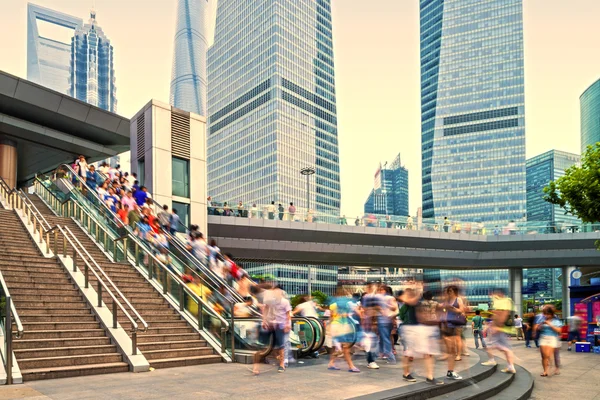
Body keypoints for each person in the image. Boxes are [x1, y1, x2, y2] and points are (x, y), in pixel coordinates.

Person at [254, 286, 291, 374]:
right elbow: (265, 309)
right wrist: (264, 321)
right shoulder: (270, 301)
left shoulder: (285, 302)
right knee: (262, 345)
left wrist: (287, 325)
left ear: (281, 292)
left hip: (280, 325)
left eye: (278, 291)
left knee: (281, 346)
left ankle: (282, 364)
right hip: (270, 324)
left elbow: (288, 314)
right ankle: (256, 367)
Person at [481, 288, 517, 374]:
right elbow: (497, 314)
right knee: (499, 346)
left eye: (494, 293)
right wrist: (491, 325)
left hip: (500, 328)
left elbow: (503, 314)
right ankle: (510, 366)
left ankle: (494, 361)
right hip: (500, 327)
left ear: (500, 293)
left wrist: (497, 327)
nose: (493, 295)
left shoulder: (504, 301)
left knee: (498, 346)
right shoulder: (504, 301)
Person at [328, 288, 360, 372]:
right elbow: (345, 315)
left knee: (340, 347)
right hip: (341, 327)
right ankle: (351, 366)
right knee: (346, 347)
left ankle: (331, 363)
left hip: (335, 326)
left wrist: (329, 328)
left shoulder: (333, 305)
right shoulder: (345, 304)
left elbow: (331, 317)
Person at [536, 305, 562, 377]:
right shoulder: (542, 319)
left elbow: (559, 330)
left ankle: (551, 364)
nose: (546, 316)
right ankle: (545, 371)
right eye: (545, 314)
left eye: (548, 314)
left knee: (547, 355)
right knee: (544, 356)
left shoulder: (556, 320)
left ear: (552, 314)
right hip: (543, 337)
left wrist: (549, 324)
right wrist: (540, 325)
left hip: (552, 338)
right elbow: (537, 328)